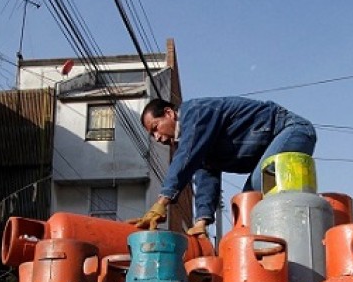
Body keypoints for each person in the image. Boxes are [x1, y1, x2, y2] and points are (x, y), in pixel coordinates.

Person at [133, 96, 317, 236]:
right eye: (152, 135)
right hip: (278, 139)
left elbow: (186, 158)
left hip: (292, 130)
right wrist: (201, 222)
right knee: (248, 201)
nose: (156, 137)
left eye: (155, 128)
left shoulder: (195, 113)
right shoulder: (200, 144)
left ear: (169, 113)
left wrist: (161, 202)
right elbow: (205, 178)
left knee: (251, 197)